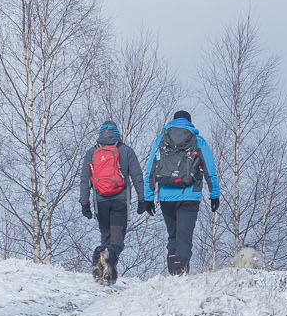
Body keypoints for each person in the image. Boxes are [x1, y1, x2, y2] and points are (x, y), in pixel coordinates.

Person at [139, 109, 221, 275]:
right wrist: (214, 195)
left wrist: (148, 197)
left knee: (173, 236)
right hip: (190, 195)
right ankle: (180, 274)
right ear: (190, 122)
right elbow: (210, 170)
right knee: (184, 238)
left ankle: (173, 273)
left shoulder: (161, 140)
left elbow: (150, 169)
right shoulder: (198, 141)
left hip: (166, 196)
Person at [79, 121, 144, 285]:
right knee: (117, 241)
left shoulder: (91, 152)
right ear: (117, 133)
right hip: (120, 201)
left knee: (106, 237)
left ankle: (104, 272)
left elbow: (85, 179)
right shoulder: (126, 151)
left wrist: (84, 202)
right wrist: (143, 199)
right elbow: (137, 176)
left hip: (100, 201)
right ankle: (106, 265)